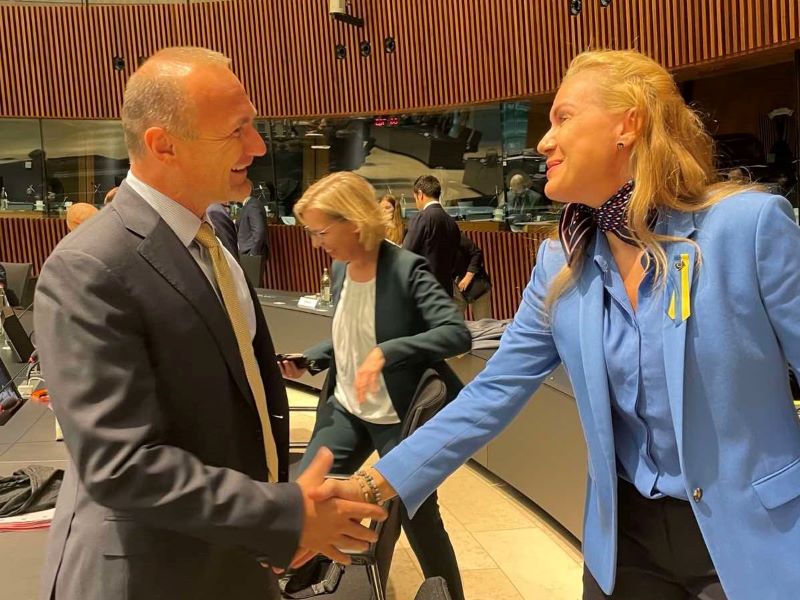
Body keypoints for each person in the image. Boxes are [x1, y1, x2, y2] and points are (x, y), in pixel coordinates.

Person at [314, 49, 800, 600]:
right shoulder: (559, 264)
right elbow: (493, 392)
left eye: (563, 117)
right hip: (626, 546)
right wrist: (372, 484)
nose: (544, 141)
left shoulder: (746, 228)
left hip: (758, 539)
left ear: (628, 124)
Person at [34, 47, 384, 600]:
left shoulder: (209, 240)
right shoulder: (89, 265)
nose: (258, 146)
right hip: (152, 578)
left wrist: (277, 516)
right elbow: (120, 464)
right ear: (163, 144)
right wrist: (284, 515)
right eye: (236, 130)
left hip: (226, 560)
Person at [279, 171, 470, 600]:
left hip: (394, 415)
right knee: (307, 496)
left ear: (353, 222)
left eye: (321, 232)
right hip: (346, 409)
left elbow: (455, 334)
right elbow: (352, 334)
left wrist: (389, 352)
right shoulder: (340, 269)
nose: (316, 243)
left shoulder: (406, 269)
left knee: (419, 517)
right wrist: (310, 359)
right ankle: (299, 585)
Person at [402, 175, 461, 296]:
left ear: (420, 194)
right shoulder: (452, 223)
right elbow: (455, 261)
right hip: (446, 291)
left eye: (415, 198)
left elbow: (406, 254)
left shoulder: (421, 218)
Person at [453, 232, 492, 320]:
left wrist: (468, 276)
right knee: (453, 322)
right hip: (454, 288)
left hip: (476, 284)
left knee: (483, 322)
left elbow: (476, 253)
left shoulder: (454, 234)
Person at [238, 194, 269, 259]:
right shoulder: (251, 204)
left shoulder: (252, 205)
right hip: (249, 251)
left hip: (250, 252)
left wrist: (253, 253)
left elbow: (259, 231)